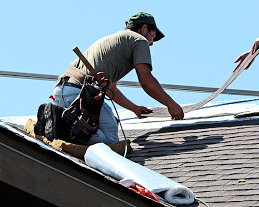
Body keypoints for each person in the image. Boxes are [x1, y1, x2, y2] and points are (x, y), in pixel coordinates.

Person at [36, 12, 184, 144]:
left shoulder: (113, 41)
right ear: (144, 28)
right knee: (110, 137)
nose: (151, 43)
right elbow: (146, 80)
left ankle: (57, 123)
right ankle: (63, 127)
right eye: (152, 36)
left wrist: (134, 108)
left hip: (63, 90)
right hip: (80, 93)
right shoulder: (139, 40)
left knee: (91, 130)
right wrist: (171, 105)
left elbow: (111, 89)